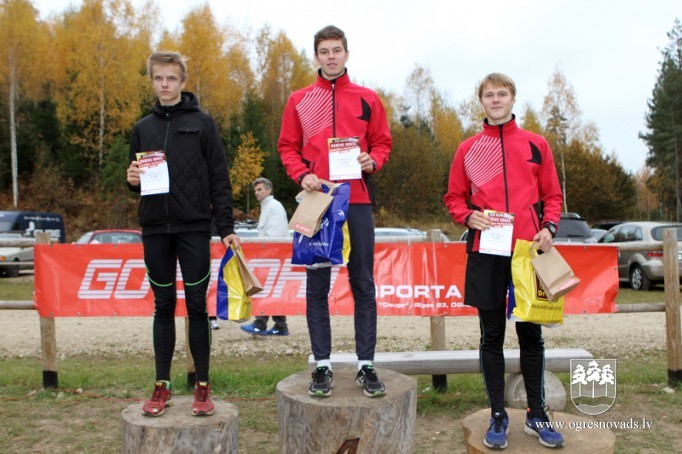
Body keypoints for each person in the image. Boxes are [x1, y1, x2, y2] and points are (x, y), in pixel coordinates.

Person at [444, 73, 565, 449]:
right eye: (489, 95)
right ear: (481, 101)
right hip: (488, 250)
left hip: (528, 252)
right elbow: (453, 198)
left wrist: (549, 227)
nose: (495, 100)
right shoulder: (468, 149)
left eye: (502, 94)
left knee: (531, 335)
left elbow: (552, 196)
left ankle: (536, 415)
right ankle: (498, 414)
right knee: (492, 335)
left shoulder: (536, 144)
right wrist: (467, 216)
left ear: (513, 99)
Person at [278, 25, 392, 398]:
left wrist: (373, 160)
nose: (331, 57)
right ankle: (322, 366)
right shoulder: (299, 99)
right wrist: (303, 174)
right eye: (324, 51)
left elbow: (383, 143)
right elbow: (287, 147)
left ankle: (366, 365)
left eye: (337, 50)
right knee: (317, 287)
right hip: (318, 202)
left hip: (356, 200)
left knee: (363, 283)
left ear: (346, 54)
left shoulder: (367, 99)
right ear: (316, 56)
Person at [126, 51, 239, 418]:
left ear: (182, 82)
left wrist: (226, 228)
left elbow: (220, 178)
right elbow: (134, 177)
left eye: (171, 78)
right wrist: (131, 180)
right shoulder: (142, 127)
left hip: (194, 228)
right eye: (159, 78)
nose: (165, 84)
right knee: (162, 306)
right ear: (152, 81)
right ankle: (161, 385)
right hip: (155, 229)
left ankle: (202, 386)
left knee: (195, 306)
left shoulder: (203, 124)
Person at [241, 177, 290, 336]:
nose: (256, 193)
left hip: (272, 256)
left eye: (260, 189)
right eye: (255, 190)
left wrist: (264, 256)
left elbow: (273, 236)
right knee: (271, 291)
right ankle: (280, 326)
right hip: (271, 257)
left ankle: (261, 324)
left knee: (265, 291)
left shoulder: (273, 207)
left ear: (269, 190)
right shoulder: (269, 207)